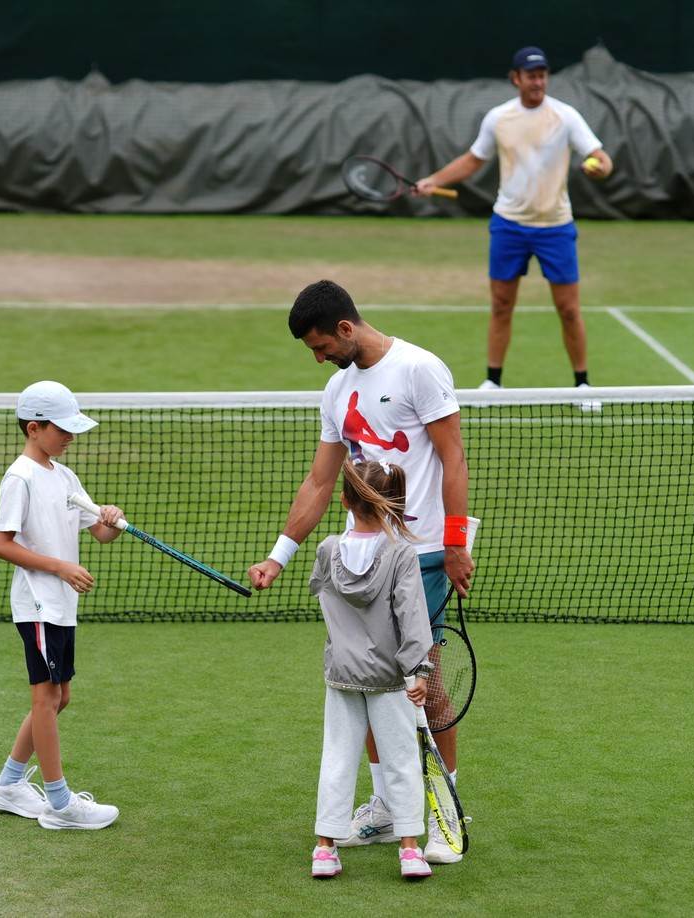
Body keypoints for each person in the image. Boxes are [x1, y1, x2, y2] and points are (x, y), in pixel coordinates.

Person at [248, 279, 474, 864]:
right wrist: (279, 554)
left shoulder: (420, 370)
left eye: (321, 346)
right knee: (371, 676)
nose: (319, 358)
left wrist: (454, 543)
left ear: (345, 329)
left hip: (419, 553)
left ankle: (446, 809)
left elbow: (453, 456)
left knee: (425, 679)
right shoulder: (335, 389)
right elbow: (321, 481)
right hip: (362, 559)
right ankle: (385, 806)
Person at [416, 46, 613, 398]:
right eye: (531, 75)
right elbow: (473, 160)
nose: (538, 82)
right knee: (502, 305)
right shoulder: (498, 118)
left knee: (569, 310)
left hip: (556, 227)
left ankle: (583, 386)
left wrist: (598, 167)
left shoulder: (566, 116)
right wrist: (435, 180)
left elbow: (601, 157)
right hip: (509, 226)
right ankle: (493, 380)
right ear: (516, 78)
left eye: (542, 75)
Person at [0, 380, 124, 831]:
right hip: (39, 604)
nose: (70, 436)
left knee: (60, 697)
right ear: (33, 428)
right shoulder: (19, 478)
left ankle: (7, 784)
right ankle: (60, 805)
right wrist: (61, 568)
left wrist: (110, 519)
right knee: (46, 699)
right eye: (61, 429)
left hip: (61, 606)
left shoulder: (64, 476)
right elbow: (1, 544)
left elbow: (100, 534)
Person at [310, 460, 436, 880]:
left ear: (344, 500)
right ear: (391, 502)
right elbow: (413, 616)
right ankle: (410, 849)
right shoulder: (401, 554)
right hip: (389, 679)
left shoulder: (326, 549)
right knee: (400, 761)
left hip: (342, 673)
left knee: (337, 758)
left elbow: (324, 597)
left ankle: (326, 849)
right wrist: (418, 670)